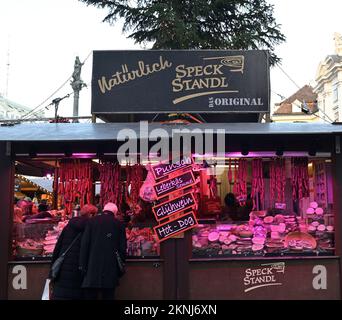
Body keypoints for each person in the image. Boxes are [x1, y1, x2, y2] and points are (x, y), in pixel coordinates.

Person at [50, 204, 98, 300]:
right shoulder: (92, 228)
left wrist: (53, 266)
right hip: (81, 271)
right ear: (91, 215)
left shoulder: (69, 226)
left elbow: (58, 247)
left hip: (64, 270)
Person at [80, 202, 127, 300]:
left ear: (104, 210)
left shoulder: (91, 222)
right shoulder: (119, 224)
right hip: (110, 270)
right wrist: (120, 267)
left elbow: (84, 245)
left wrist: (82, 266)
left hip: (91, 270)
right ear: (115, 212)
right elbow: (122, 248)